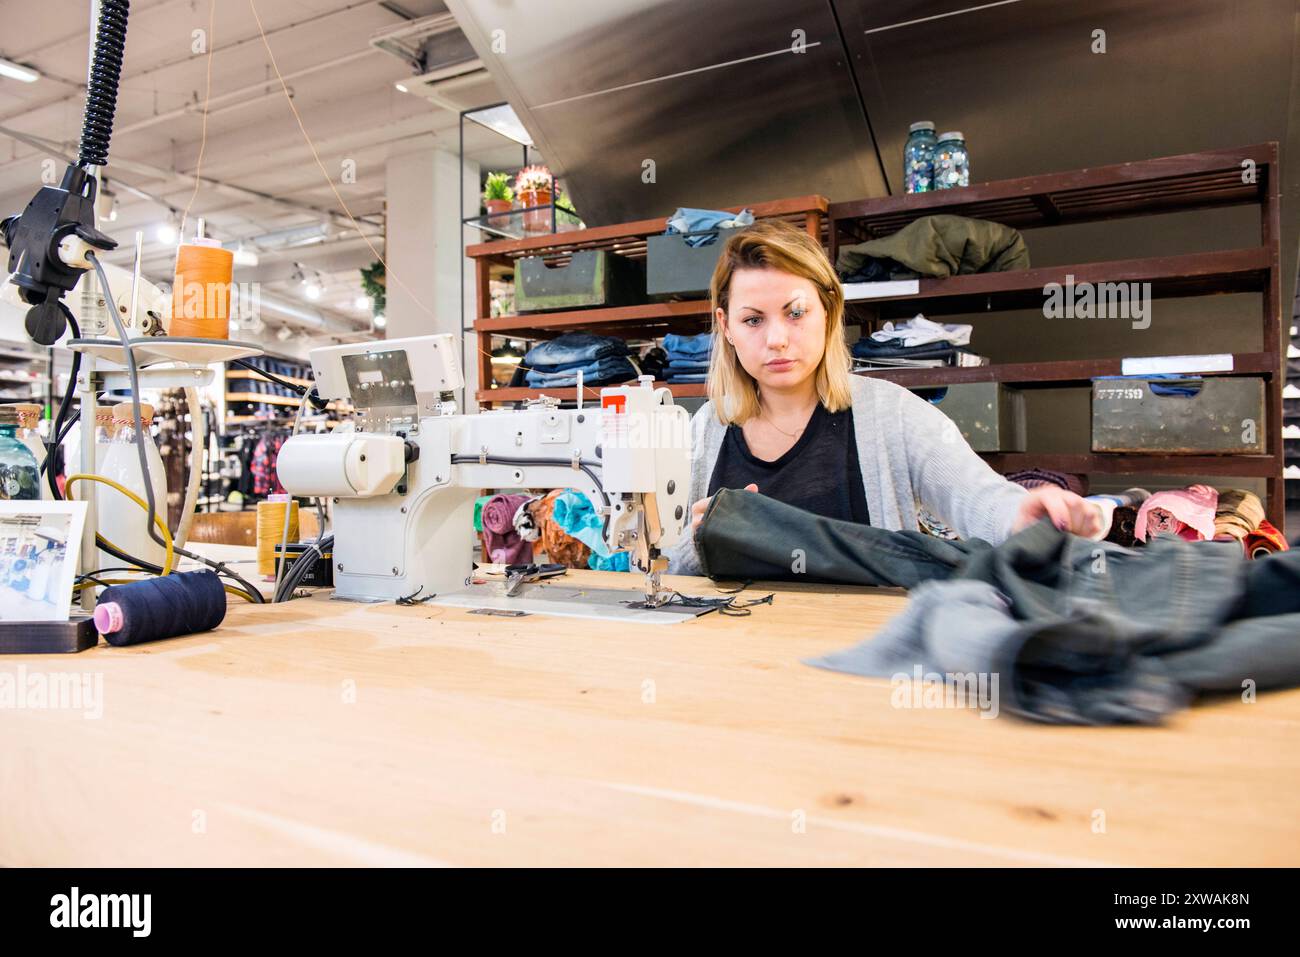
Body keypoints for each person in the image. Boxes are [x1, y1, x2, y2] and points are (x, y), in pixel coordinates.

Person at [664, 220, 1102, 576]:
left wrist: (1024, 513)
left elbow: (980, 499)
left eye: (796, 313)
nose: (776, 339)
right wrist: (695, 542)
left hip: (864, 657)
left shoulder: (892, 414)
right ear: (725, 326)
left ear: (829, 311)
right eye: (753, 320)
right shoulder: (706, 430)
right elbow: (666, 565)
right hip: (738, 660)